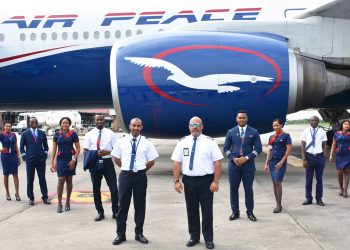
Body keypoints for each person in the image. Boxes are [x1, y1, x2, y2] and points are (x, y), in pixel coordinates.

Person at [171, 116, 222, 250]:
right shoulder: (182, 142)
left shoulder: (210, 142)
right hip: (189, 181)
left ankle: (208, 239)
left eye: (197, 124)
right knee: (191, 210)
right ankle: (194, 236)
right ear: (189, 127)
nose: (195, 127)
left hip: (206, 181)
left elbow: (217, 162)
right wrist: (176, 181)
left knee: (207, 211)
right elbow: (177, 162)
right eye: (192, 124)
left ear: (202, 126)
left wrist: (216, 181)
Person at [111, 118, 159, 246]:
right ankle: (120, 234)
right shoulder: (121, 141)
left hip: (140, 177)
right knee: (122, 206)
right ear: (129, 126)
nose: (136, 128)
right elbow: (116, 158)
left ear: (141, 127)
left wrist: (141, 170)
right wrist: (126, 168)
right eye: (134, 125)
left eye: (138, 126)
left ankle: (139, 233)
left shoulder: (146, 142)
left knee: (140, 205)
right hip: (125, 175)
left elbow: (152, 161)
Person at [223, 110, 262, 222]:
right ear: (236, 119)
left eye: (244, 118)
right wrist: (233, 158)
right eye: (239, 118)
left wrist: (246, 158)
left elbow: (258, 149)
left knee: (248, 190)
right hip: (234, 166)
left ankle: (250, 212)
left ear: (247, 119)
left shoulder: (253, 132)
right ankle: (235, 212)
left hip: (248, 166)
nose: (241, 119)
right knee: (233, 189)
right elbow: (225, 148)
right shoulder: (231, 132)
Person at [83, 114, 118, 221]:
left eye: (101, 119)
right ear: (95, 120)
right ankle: (100, 212)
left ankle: (115, 211)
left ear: (104, 121)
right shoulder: (89, 134)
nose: (99, 121)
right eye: (97, 119)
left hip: (107, 162)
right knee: (96, 189)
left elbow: (116, 149)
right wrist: (92, 156)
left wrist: (108, 152)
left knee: (114, 188)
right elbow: (85, 150)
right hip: (94, 162)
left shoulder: (111, 134)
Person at [50, 117, 80, 213]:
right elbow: (54, 149)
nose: (65, 124)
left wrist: (74, 160)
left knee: (69, 179)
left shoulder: (73, 134)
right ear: (60, 124)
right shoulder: (57, 134)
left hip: (71, 158)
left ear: (69, 124)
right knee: (61, 179)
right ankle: (59, 203)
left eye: (67, 123)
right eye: (63, 122)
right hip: (61, 159)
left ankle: (67, 201)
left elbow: (78, 148)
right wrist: (52, 162)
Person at [20, 117, 51, 205]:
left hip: (41, 160)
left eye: (36, 122)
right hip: (30, 160)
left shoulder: (42, 133)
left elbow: (46, 146)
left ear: (38, 123)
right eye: (32, 122)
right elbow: (22, 147)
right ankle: (31, 198)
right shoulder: (25, 134)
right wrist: (25, 157)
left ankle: (45, 197)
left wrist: (45, 154)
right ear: (29, 123)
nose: (34, 123)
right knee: (30, 179)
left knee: (42, 179)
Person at [264, 119, 292, 213]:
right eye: (274, 126)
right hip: (272, 162)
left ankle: (279, 205)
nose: (275, 127)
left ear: (281, 125)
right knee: (274, 182)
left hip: (280, 162)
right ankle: (277, 203)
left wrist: (282, 162)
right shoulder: (271, 137)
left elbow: (288, 150)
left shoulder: (286, 136)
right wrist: (266, 163)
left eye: (277, 125)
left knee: (277, 182)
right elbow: (269, 151)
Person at [300, 116, 327, 206]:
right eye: (312, 120)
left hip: (319, 157)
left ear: (318, 121)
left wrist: (324, 157)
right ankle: (308, 198)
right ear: (310, 121)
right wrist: (304, 159)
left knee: (319, 179)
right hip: (309, 157)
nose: (314, 122)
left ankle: (319, 199)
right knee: (309, 179)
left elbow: (324, 145)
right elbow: (303, 146)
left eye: (315, 120)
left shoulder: (322, 132)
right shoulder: (306, 132)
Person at [0, 121, 21, 201]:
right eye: (6, 126)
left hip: (13, 155)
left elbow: (16, 145)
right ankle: (7, 193)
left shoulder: (13, 135)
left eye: (9, 126)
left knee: (15, 174)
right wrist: (1, 149)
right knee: (6, 174)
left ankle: (17, 193)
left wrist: (18, 156)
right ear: (4, 127)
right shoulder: (1, 135)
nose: (8, 127)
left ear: (11, 127)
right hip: (5, 156)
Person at [329, 120, 350, 198]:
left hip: (348, 155)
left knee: (347, 173)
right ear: (342, 125)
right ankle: (341, 188)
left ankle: (345, 190)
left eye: (348, 124)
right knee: (340, 173)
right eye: (345, 124)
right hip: (339, 155)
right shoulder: (337, 133)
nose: (347, 126)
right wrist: (331, 155)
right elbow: (333, 144)